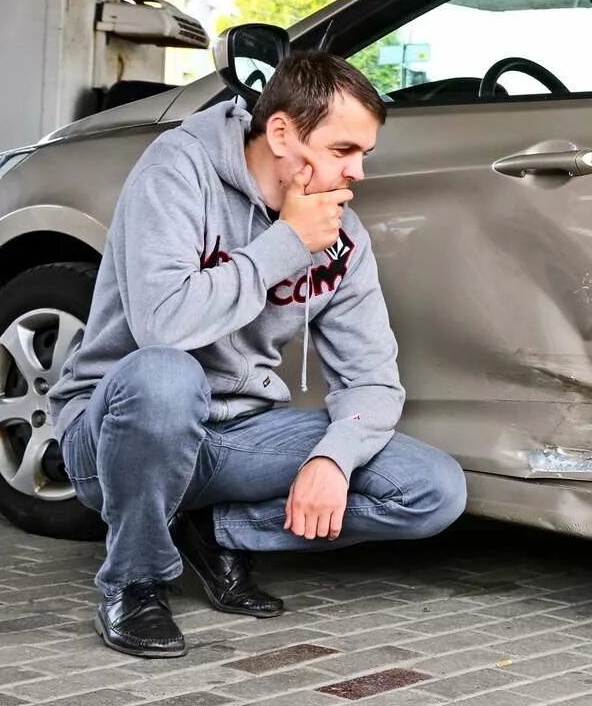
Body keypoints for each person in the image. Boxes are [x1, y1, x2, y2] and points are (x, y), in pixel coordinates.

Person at [49, 51, 467, 658]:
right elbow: (164, 326)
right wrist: (285, 244)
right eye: (342, 151)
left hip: (239, 435)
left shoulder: (344, 239)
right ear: (281, 133)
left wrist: (333, 459)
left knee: (432, 488)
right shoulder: (178, 171)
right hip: (119, 432)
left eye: (363, 155)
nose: (358, 173)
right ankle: (133, 579)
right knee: (167, 377)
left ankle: (209, 530)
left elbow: (373, 382)